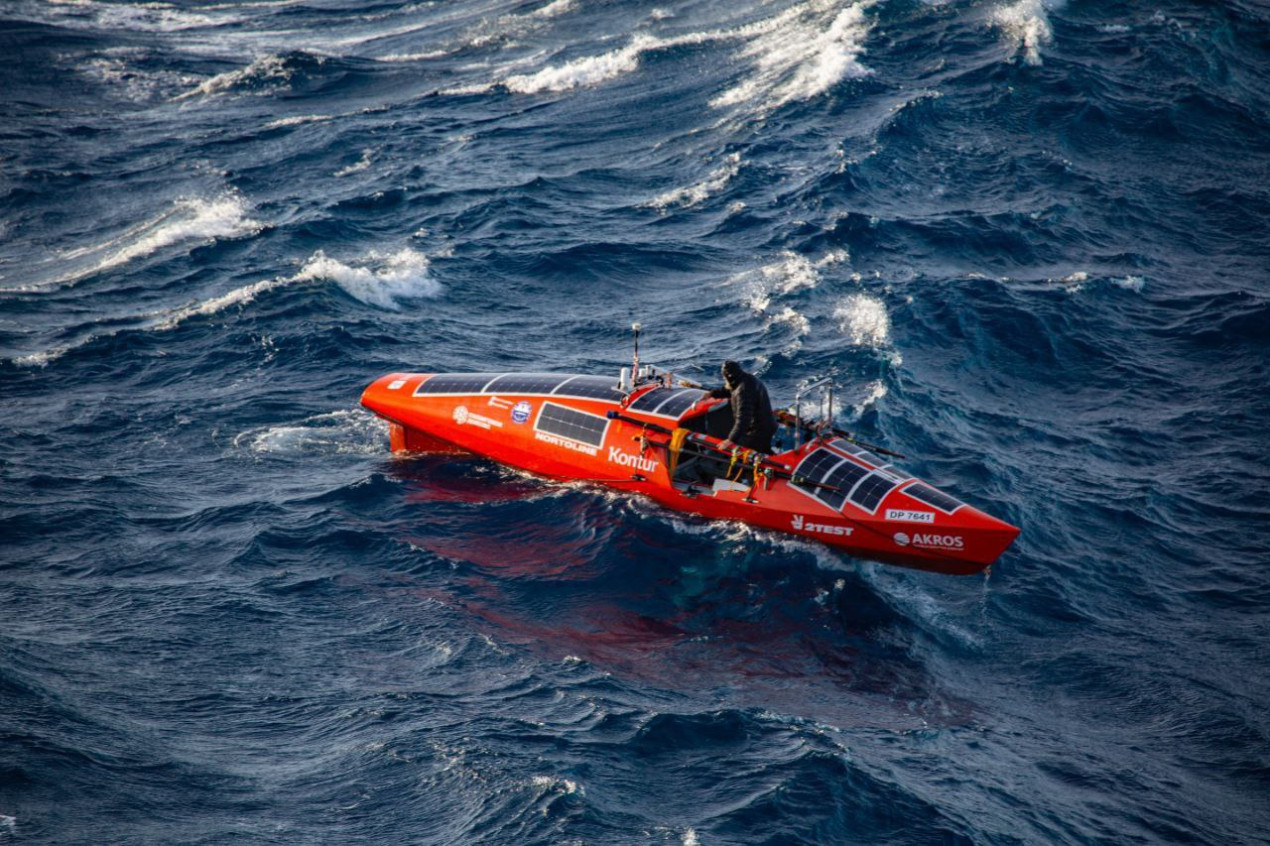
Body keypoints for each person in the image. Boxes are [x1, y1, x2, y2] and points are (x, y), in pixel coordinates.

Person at [708, 360, 777, 454]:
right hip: (767, 424)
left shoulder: (743, 391)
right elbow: (730, 389)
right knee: (764, 450)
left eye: (724, 378)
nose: (724, 380)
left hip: (757, 432)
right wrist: (712, 394)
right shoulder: (745, 379)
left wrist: (731, 440)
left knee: (744, 452)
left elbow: (744, 418)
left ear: (729, 377)